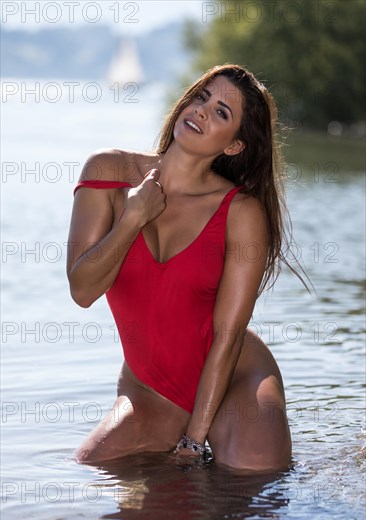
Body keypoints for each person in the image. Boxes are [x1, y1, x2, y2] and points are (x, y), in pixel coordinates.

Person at [67, 63, 312, 472]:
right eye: (202, 97)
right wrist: (132, 218)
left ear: (234, 145)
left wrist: (194, 442)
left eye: (221, 112)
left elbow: (228, 337)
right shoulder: (107, 172)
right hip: (152, 389)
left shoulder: (241, 211)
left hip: (234, 378)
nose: (201, 111)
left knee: (245, 488)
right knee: (92, 468)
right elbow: (82, 290)